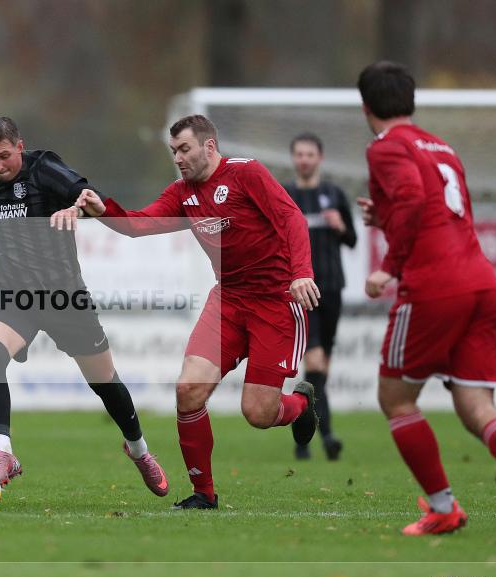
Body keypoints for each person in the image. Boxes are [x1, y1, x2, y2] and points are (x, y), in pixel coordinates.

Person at [51, 114, 321, 510]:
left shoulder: (247, 174)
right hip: (228, 300)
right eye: (173, 151)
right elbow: (138, 225)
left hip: (275, 301)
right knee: (188, 390)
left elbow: (290, 217)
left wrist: (301, 274)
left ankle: (298, 405)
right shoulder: (182, 193)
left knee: (259, 413)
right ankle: (204, 495)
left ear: (209, 147)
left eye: (184, 149)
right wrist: (101, 206)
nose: (177, 158)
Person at [0, 116, 169, 496]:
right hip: (14, 297)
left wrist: (74, 209)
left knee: (105, 383)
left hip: (64, 297)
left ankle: (139, 450)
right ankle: (3, 453)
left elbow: (88, 193)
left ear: (20, 147)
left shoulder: (44, 169)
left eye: (5, 156)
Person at [356, 61, 496, 535]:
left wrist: (389, 266)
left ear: (366, 106)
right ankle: (443, 509)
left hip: (436, 286)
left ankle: (443, 509)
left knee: (396, 399)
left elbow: (416, 201)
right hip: (481, 280)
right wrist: (387, 216)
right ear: (411, 100)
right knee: (475, 409)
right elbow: (437, 209)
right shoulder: (442, 146)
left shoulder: (385, 147)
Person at [285, 132, 357, 461]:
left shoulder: (334, 194)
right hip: (302, 291)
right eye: (299, 154)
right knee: (313, 362)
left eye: (309, 154)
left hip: (333, 289)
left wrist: (340, 225)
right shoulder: (285, 195)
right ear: (293, 158)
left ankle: (304, 436)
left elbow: (353, 239)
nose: (304, 159)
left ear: (319, 158)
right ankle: (326, 436)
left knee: (320, 369)